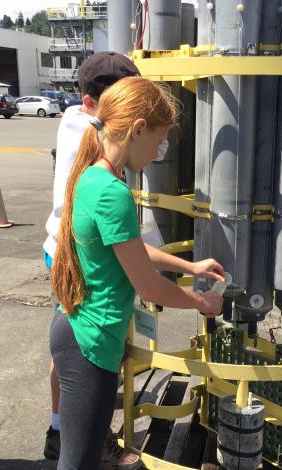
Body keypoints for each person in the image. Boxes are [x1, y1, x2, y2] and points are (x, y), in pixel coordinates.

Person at [50, 76, 225, 470]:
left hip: (84, 335)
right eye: (158, 142)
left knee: (84, 458)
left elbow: (129, 249)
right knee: (78, 462)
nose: (158, 153)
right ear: (138, 129)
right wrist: (202, 301)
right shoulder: (112, 192)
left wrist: (189, 266)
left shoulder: (94, 176)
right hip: (89, 344)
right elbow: (147, 285)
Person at [41, 51, 142, 467]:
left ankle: (62, 430)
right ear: (91, 104)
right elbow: (105, 221)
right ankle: (77, 433)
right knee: (88, 351)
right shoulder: (93, 147)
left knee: (71, 349)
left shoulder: (85, 128)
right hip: (74, 253)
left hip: (72, 247)